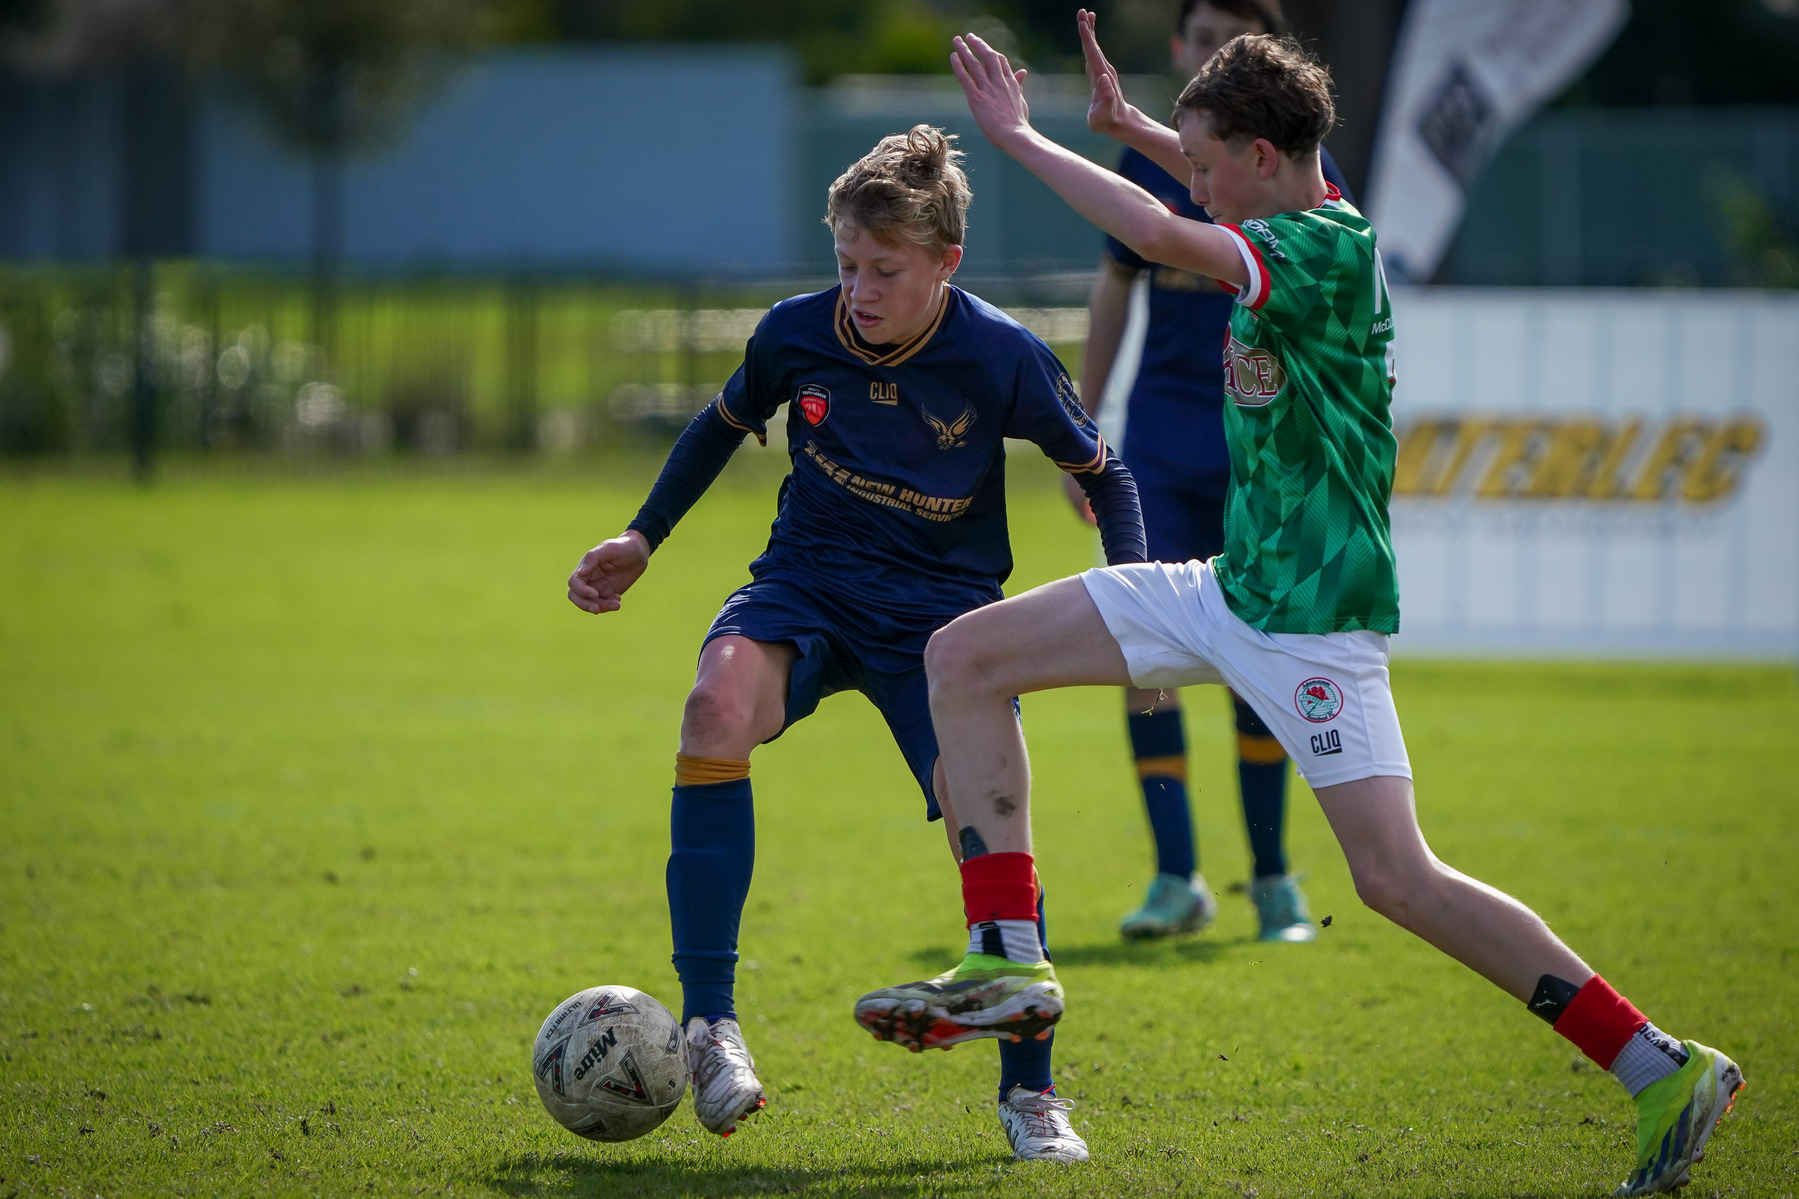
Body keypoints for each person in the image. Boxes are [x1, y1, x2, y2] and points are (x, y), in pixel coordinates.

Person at [855, 19, 1742, 1197]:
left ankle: (1658, 1062)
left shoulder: (1316, 248)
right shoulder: (1282, 206)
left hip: (1310, 621)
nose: (1195, 180)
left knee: (1394, 879)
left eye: (1210, 160)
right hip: (1227, 587)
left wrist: (1017, 139)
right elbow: (1192, 190)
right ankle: (1006, 956)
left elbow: (1165, 231)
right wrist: (1132, 126)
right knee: (963, 656)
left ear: (1265, 160)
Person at [566, 125, 1146, 1163]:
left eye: (884, 269)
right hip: (806, 584)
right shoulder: (796, 334)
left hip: (941, 623)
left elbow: (1105, 473)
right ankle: (709, 1026)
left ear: (943, 264)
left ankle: (1032, 1090)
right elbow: (717, 423)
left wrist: (1134, 609)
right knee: (712, 708)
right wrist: (640, 536)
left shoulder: (999, 354)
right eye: (845, 263)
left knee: (989, 815)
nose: (859, 289)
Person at [1072, 0, 1347, 943]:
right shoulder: (1160, 169)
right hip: (1157, 448)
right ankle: (1173, 873)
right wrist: (1082, 431)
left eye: (1225, 45)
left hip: (1256, 464)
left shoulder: (1299, 192)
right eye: (1195, 42)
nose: (1203, 55)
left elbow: (1159, 240)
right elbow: (1117, 288)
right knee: (1142, 660)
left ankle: (1271, 876)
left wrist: (1022, 138)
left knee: (1254, 660)